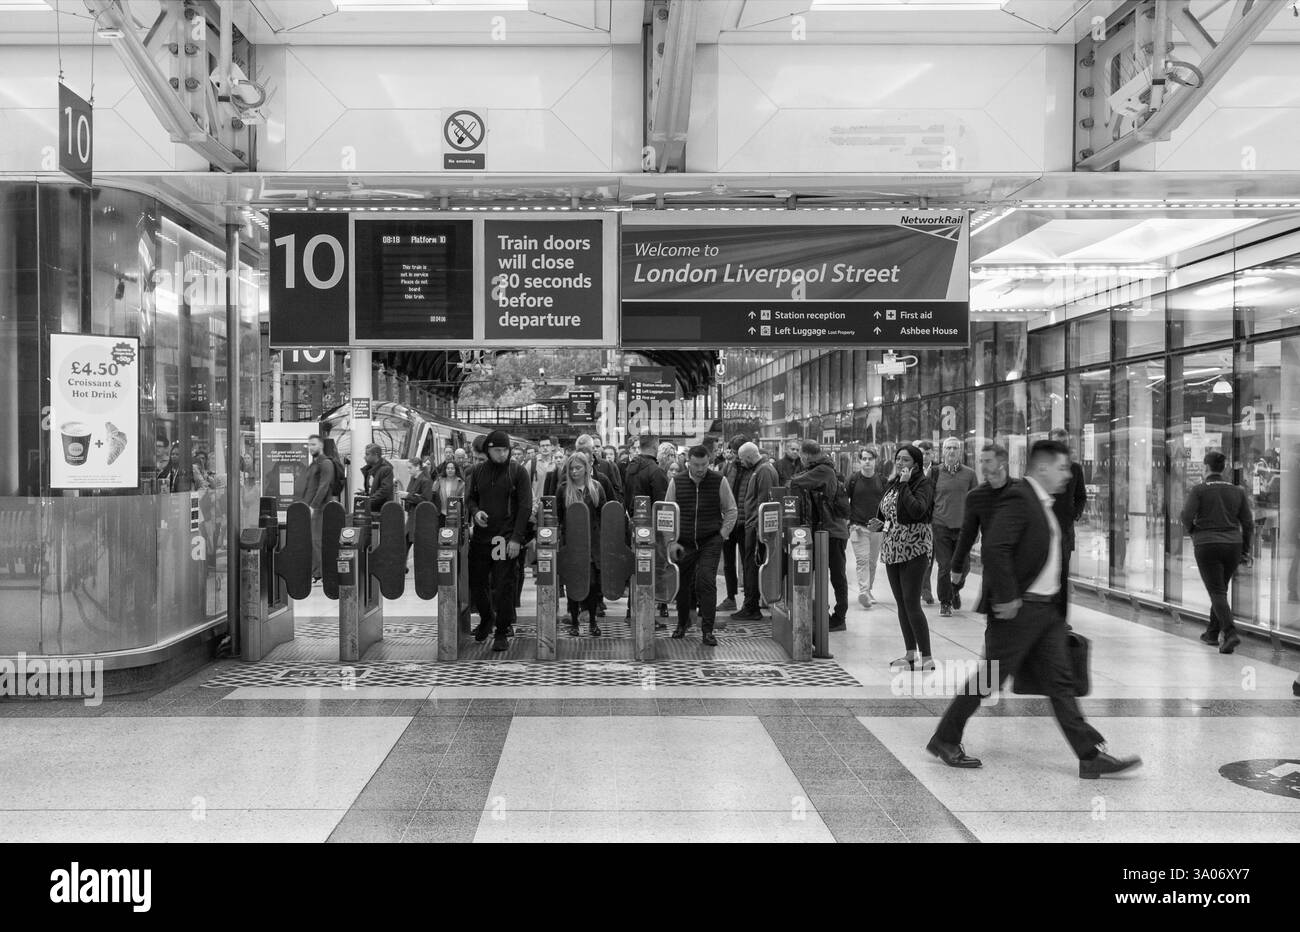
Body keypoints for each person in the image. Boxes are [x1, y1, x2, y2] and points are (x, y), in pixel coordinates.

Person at [927, 440, 1143, 780]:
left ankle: (1089, 755)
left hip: (1045, 612)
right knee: (990, 679)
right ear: (1042, 468)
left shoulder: (1043, 502)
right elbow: (996, 549)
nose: (1067, 475)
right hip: (1019, 612)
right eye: (1062, 468)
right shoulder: (1020, 498)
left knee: (1061, 682)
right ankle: (945, 738)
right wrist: (1009, 597)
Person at [868, 444, 935, 669]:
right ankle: (910, 654)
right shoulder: (893, 484)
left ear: (915, 464)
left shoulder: (922, 484)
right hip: (893, 548)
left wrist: (906, 484)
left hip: (914, 548)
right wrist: (881, 524)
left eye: (905, 460)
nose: (899, 463)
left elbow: (917, 510)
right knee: (901, 604)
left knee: (911, 603)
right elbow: (891, 515)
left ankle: (927, 657)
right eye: (898, 459)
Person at [1180, 450, 1253, 654]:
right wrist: (1245, 549)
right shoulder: (1237, 491)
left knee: (1217, 591)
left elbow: (1186, 516)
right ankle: (1212, 633)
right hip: (1233, 545)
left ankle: (1229, 633)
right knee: (1220, 588)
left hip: (1207, 544)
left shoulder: (1199, 490)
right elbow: (1248, 524)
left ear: (1205, 468)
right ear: (1224, 468)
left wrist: (1195, 531)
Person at [466, 430, 533, 651]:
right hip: (482, 538)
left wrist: (516, 538)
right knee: (477, 583)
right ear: (488, 450)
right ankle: (487, 617)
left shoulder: (518, 472)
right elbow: (470, 499)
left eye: (505, 450)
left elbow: (525, 507)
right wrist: (475, 512)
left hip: (505, 538)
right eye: (497, 450)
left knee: (504, 585)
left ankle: (502, 631)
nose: (502, 454)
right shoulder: (477, 471)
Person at [665, 445, 738, 646]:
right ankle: (682, 624)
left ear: (710, 461)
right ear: (688, 462)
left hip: (710, 539)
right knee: (683, 584)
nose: (700, 469)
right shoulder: (676, 482)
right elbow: (667, 514)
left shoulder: (719, 481)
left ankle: (707, 630)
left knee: (706, 581)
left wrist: (722, 535)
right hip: (684, 541)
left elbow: (731, 510)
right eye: (696, 464)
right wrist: (671, 542)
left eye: (704, 464)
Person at [789, 440, 850, 631]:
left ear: (805, 455)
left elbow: (795, 481)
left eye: (800, 454)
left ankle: (839, 617)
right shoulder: (819, 468)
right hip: (822, 531)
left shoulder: (823, 470)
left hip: (832, 532)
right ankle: (819, 612)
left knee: (837, 575)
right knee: (816, 573)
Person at [949, 443, 1016, 604]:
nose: (983, 466)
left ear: (1002, 463)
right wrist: (957, 566)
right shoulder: (976, 496)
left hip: (1018, 564)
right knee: (994, 621)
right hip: (992, 565)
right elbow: (967, 534)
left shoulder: (1020, 491)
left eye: (988, 461)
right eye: (981, 461)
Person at [556, 451, 604, 637]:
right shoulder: (563, 490)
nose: (574, 472)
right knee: (573, 584)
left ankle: (592, 620)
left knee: (592, 585)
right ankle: (574, 621)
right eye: (571, 468)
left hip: (592, 545)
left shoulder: (597, 488)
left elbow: (603, 515)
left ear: (586, 468)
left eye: (578, 468)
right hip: (572, 545)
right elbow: (559, 518)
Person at [932, 437, 979, 617]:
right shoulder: (935, 473)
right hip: (940, 525)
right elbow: (929, 500)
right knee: (944, 565)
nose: (951, 451)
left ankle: (955, 588)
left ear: (959, 452)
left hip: (963, 528)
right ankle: (945, 602)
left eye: (955, 448)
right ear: (943, 451)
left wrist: (977, 530)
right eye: (948, 448)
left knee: (963, 566)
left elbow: (977, 503)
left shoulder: (969, 474)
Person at [733, 441, 778, 621]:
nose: (741, 463)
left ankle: (751, 607)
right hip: (753, 525)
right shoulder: (759, 470)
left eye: (743, 459)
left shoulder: (764, 471)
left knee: (751, 566)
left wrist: (758, 527)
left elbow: (764, 502)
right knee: (749, 565)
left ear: (750, 457)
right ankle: (750, 604)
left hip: (756, 527)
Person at [1049, 428, 1088, 615]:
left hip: (1065, 529)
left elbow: (1081, 495)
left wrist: (1075, 514)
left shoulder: (1075, 469)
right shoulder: (1041, 467)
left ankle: (1060, 618)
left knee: (1062, 575)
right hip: (1043, 528)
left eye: (1063, 442)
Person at [847, 447, 886, 608]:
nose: (867, 461)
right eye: (864, 458)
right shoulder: (853, 479)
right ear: (860, 461)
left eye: (870, 458)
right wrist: (849, 522)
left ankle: (868, 590)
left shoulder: (882, 481)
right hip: (858, 527)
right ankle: (863, 591)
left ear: (875, 460)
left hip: (877, 527)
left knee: (872, 562)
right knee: (862, 560)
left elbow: (886, 503)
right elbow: (845, 501)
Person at [718, 435, 751, 613]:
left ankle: (749, 599)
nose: (731, 454)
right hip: (730, 522)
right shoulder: (728, 468)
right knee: (729, 562)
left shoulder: (754, 470)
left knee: (748, 562)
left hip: (746, 523)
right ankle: (731, 598)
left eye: (734, 450)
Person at [299, 434, 337, 579]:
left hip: (320, 508)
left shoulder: (325, 463)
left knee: (316, 541)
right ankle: (315, 571)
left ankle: (318, 573)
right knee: (312, 540)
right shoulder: (313, 464)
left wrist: (313, 506)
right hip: (308, 507)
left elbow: (324, 486)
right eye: (309, 445)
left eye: (313, 444)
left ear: (321, 445)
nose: (310, 447)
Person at [915, 440, 939, 605]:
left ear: (933, 454)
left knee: (939, 557)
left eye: (928, 453)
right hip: (920, 520)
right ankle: (925, 589)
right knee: (925, 556)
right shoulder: (913, 470)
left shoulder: (939, 470)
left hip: (938, 519)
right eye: (922, 453)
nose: (925, 456)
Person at [402, 457, 433, 560]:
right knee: (405, 542)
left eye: (410, 468)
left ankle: (403, 566)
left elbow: (426, 500)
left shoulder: (426, 481)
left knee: (413, 543)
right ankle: (402, 566)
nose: (408, 470)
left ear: (418, 467)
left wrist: (408, 496)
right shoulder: (414, 479)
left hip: (419, 518)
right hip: (412, 515)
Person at [359, 443, 394, 515]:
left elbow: (385, 490)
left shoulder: (386, 469)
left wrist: (369, 501)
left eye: (367, 454)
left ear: (376, 454)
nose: (364, 457)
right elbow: (375, 488)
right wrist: (366, 493)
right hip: (372, 509)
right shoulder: (370, 470)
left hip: (381, 511)